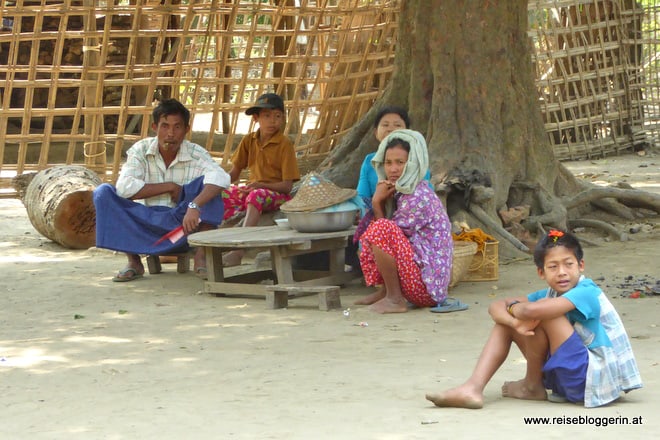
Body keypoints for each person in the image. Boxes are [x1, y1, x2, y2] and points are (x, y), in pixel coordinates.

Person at [426, 229, 643, 409]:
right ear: (541, 273)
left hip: (592, 380)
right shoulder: (548, 294)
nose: (562, 272)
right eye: (553, 266)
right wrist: (513, 322)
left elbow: (530, 312)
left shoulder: (587, 291)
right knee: (512, 319)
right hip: (565, 381)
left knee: (545, 313)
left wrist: (517, 309)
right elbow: (495, 307)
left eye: (569, 264)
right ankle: (473, 388)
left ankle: (531, 384)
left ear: (581, 266)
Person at [93, 98, 230, 281]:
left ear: (186, 130)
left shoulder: (196, 153)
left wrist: (194, 205)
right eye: (165, 126)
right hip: (144, 229)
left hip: (180, 231)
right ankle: (134, 261)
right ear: (154, 127)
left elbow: (222, 177)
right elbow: (124, 187)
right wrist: (169, 187)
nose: (170, 134)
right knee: (103, 192)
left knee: (211, 187)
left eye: (177, 127)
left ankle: (201, 257)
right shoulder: (140, 150)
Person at [353, 129, 453, 313]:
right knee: (378, 229)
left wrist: (376, 202)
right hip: (418, 278)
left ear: (413, 164)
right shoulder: (403, 190)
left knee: (380, 229)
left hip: (426, 288)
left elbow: (387, 237)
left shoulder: (418, 195)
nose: (392, 169)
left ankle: (394, 299)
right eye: (388, 163)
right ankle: (386, 292)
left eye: (400, 163)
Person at [221, 92, 300, 267]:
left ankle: (238, 251)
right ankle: (214, 246)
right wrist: (217, 185)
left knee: (256, 195)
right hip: (254, 190)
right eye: (267, 116)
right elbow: (234, 172)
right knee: (223, 195)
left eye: (277, 116)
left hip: (279, 196)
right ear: (256, 118)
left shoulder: (284, 144)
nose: (273, 121)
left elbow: (287, 186)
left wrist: (260, 185)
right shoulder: (249, 140)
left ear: (283, 119)